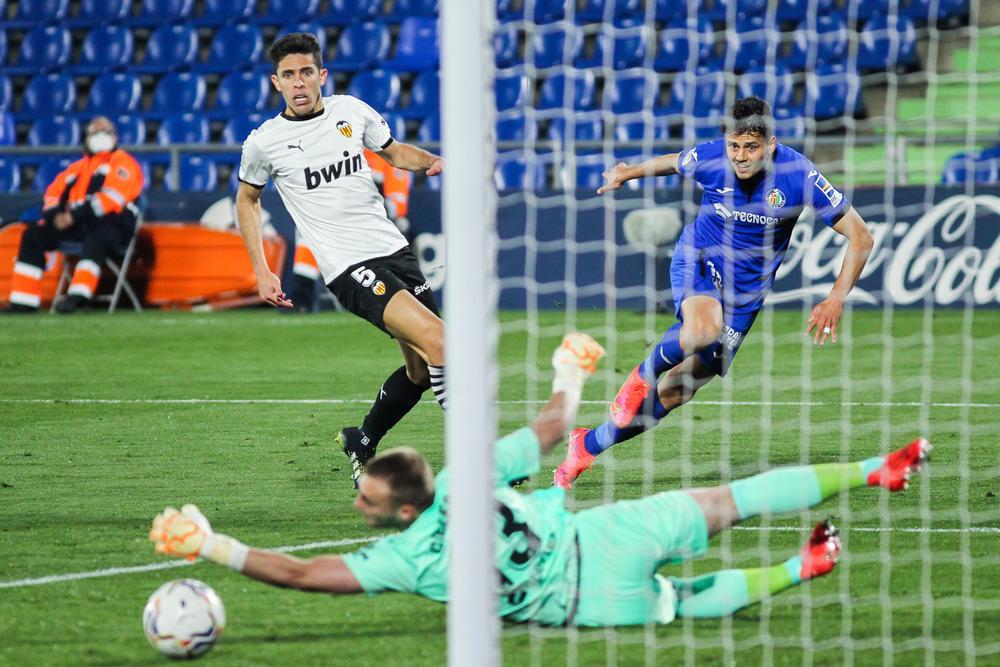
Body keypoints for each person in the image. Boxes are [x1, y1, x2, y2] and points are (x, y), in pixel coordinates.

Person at [150, 332, 930, 627]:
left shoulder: (406, 558)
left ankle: (804, 565)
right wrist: (570, 367)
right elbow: (557, 422)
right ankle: (872, 470)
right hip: (600, 531)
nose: (358, 500)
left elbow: (300, 573)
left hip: (584, 599)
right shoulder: (467, 476)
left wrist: (213, 544)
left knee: (682, 601)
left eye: (369, 496)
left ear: (405, 507)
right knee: (728, 500)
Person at [554, 96, 876, 489]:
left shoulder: (798, 175)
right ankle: (640, 376)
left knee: (675, 392)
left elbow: (861, 237)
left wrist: (836, 296)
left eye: (751, 147)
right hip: (700, 258)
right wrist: (628, 172)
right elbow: (674, 161)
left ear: (771, 145)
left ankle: (586, 445)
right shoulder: (710, 158)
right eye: (734, 146)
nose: (740, 157)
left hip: (745, 298)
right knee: (703, 329)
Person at [234, 33, 445, 487]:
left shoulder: (351, 111)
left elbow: (392, 152)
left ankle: (363, 438)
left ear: (321, 75)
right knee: (445, 344)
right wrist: (262, 270)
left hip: (394, 251)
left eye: (306, 72)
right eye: (288, 75)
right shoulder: (265, 142)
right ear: (276, 82)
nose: (298, 82)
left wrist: (429, 160)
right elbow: (246, 200)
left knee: (423, 368)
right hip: (349, 267)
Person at [5, 116, 143, 314]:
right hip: (77, 225)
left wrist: (73, 216)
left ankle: (78, 296)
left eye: (106, 131)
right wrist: (55, 217)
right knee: (33, 234)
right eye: (95, 132)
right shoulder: (76, 169)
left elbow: (110, 199)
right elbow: (52, 194)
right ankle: (24, 301)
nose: (101, 136)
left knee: (98, 236)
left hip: (114, 224)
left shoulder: (123, 163)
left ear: (115, 136)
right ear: (86, 138)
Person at [287, 149, 414, 313]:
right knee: (307, 230)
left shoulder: (388, 156)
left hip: (374, 222)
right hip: (340, 220)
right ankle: (301, 298)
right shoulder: (338, 152)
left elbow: (397, 205)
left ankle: (400, 294)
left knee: (402, 225)